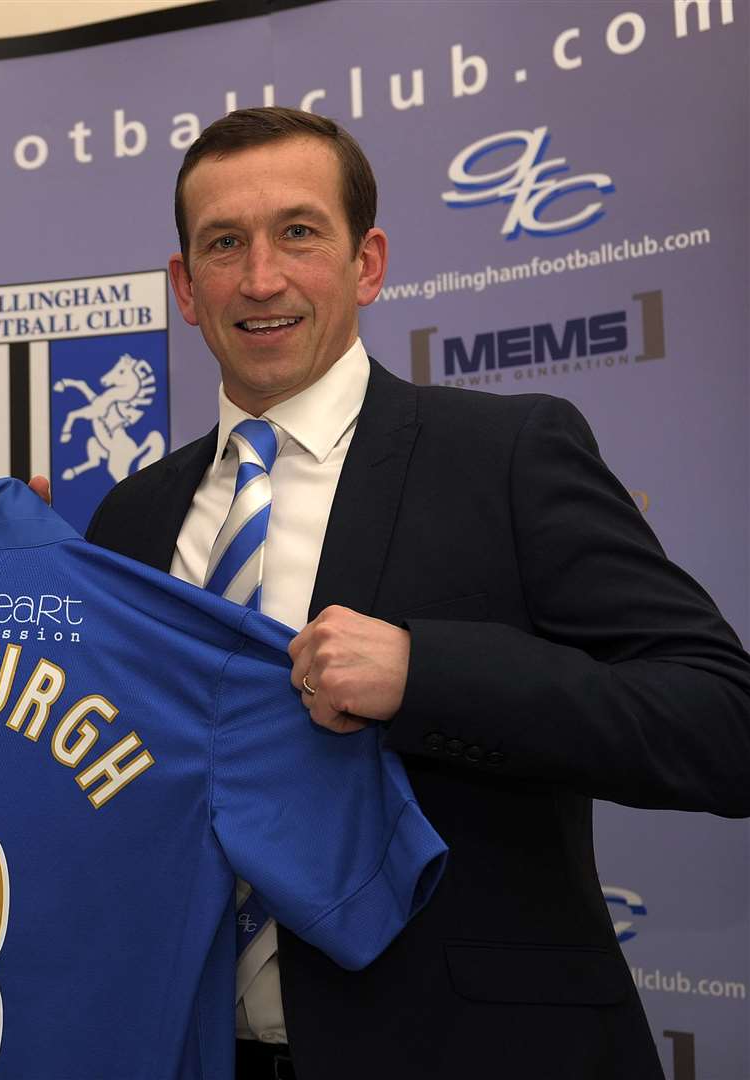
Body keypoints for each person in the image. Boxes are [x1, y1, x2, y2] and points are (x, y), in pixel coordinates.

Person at [83, 108, 750, 1079]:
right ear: (186, 286)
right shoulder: (130, 520)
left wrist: (428, 674)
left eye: (299, 233)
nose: (261, 278)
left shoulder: (508, 453)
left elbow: (723, 721)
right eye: (225, 243)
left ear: (369, 263)